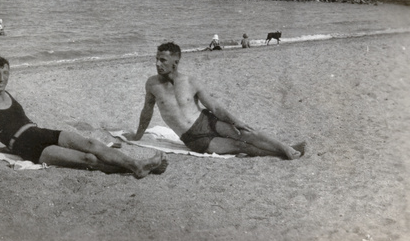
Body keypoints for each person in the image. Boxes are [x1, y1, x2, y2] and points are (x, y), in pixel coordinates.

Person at [0, 56, 168, 178]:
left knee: (90, 143)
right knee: (87, 158)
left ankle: (138, 165)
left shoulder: (9, 94)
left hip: (40, 132)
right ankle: (140, 167)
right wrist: (0, 148)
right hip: (26, 146)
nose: (2, 78)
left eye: (6, 73)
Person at [126, 42, 304, 159]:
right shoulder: (152, 84)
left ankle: (285, 148)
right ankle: (283, 152)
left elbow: (214, 107)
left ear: (175, 62)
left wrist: (237, 122)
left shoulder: (190, 81)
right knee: (240, 146)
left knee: (246, 133)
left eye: (162, 60)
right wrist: (138, 136)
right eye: (156, 59)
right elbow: (146, 112)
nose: (157, 64)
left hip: (206, 120)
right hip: (193, 138)